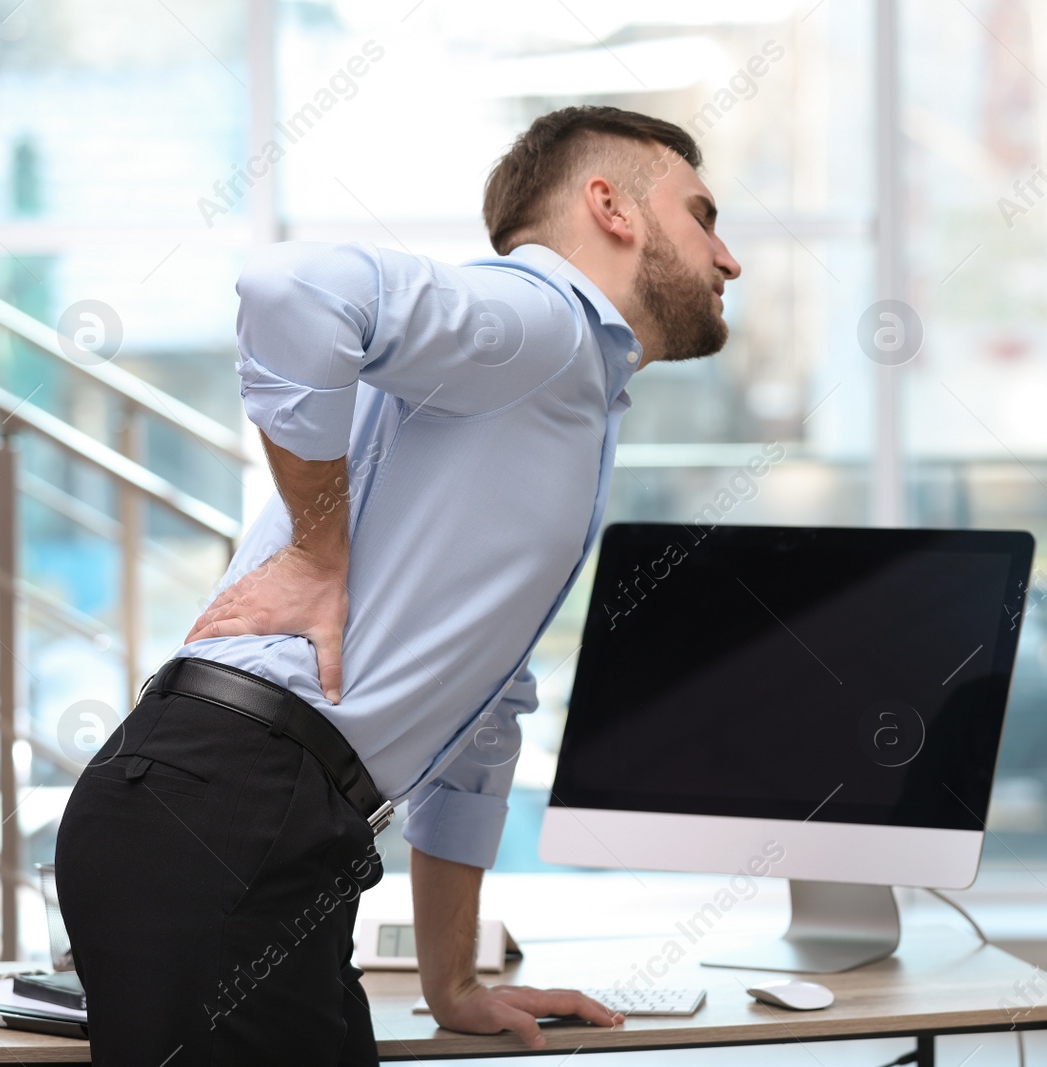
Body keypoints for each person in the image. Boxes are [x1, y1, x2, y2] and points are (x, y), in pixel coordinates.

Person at [54, 105, 741, 1065]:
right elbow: (294, 287)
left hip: (276, 823)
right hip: (227, 807)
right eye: (703, 214)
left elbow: (484, 716)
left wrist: (451, 981)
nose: (728, 258)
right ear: (611, 208)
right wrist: (314, 550)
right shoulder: (541, 320)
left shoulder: (569, 397)